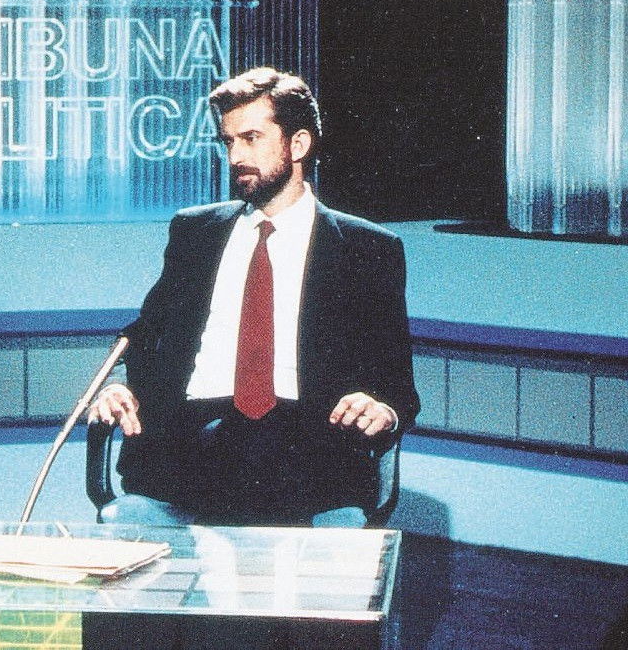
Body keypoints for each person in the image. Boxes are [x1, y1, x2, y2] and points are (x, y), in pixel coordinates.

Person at [89, 67, 420, 527]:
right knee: (229, 445)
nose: (235, 157)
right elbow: (144, 338)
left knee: (265, 445)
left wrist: (381, 409)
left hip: (304, 447)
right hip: (194, 443)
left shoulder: (366, 249)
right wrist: (116, 387)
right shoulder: (195, 232)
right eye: (228, 142)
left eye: (251, 139)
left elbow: (398, 386)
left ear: (298, 145)